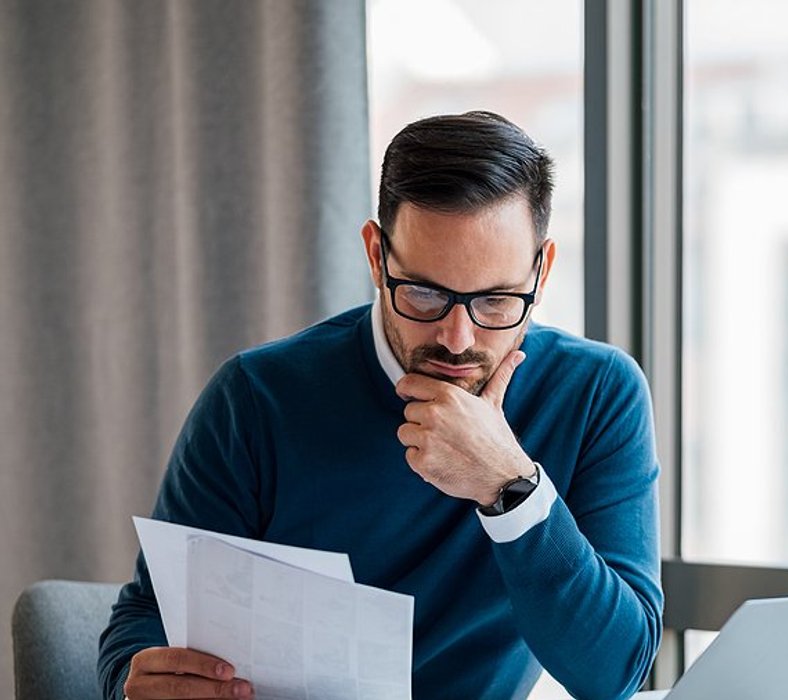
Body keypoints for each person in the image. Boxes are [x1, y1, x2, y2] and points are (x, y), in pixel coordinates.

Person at [98, 111, 663, 700]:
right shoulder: (256, 399)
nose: (457, 338)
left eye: (496, 301)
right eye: (424, 294)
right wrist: (135, 681)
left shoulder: (597, 393)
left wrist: (509, 488)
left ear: (541, 272)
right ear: (376, 256)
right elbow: (146, 617)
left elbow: (614, 674)